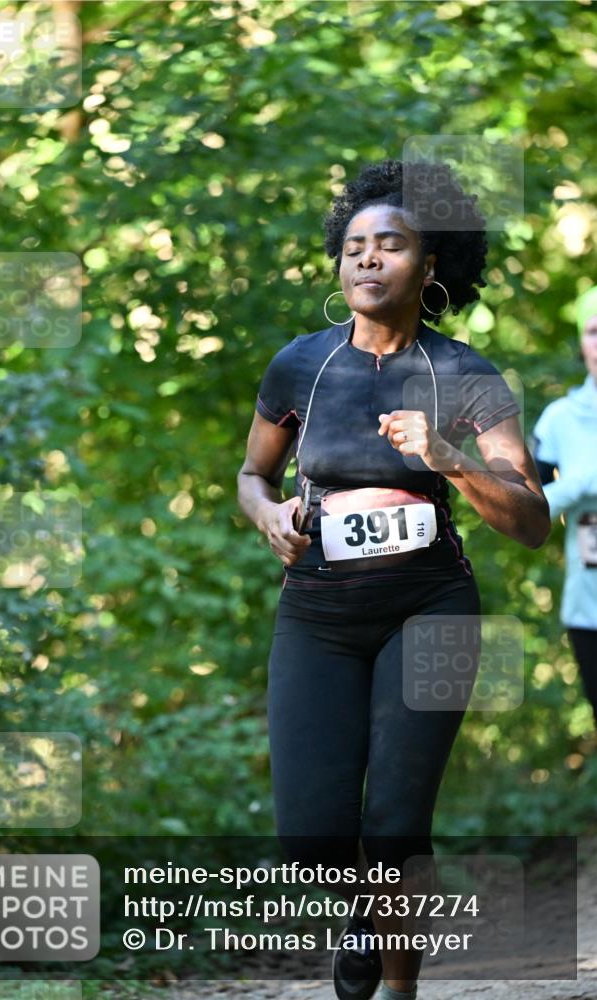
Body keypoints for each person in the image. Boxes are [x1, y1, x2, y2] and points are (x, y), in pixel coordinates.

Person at [236, 159, 550, 1000]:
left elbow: (528, 522)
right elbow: (251, 476)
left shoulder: (468, 374)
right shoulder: (300, 365)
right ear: (338, 266)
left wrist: (446, 458)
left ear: (430, 264)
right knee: (310, 835)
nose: (367, 259)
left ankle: (400, 990)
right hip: (318, 614)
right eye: (353, 247)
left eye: (390, 245)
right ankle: (363, 926)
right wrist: (266, 514)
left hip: (431, 607)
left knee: (397, 823)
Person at [531, 284, 597, 729]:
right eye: (594, 330)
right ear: (580, 341)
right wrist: (581, 484)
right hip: (589, 607)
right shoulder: (559, 419)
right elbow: (528, 509)